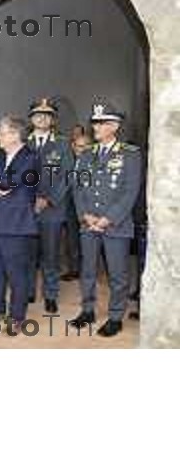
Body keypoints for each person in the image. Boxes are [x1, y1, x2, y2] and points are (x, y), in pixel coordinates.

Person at [70, 102, 142, 337]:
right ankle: (88, 310)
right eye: (94, 122)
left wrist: (108, 218)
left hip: (116, 225)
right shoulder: (87, 153)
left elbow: (131, 191)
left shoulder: (130, 154)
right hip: (88, 223)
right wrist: (84, 215)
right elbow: (77, 188)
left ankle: (115, 316)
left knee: (117, 274)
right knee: (88, 270)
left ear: (114, 126)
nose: (95, 126)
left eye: (100, 123)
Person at [0, 116, 39, 334]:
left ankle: (17, 317)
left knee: (17, 273)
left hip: (16, 223)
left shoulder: (30, 157)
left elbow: (11, 181)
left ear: (15, 134)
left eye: (2, 132)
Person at [26, 98, 74, 313]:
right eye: (38, 114)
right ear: (31, 119)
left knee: (50, 255)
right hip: (25, 208)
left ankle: (51, 294)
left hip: (52, 209)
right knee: (27, 253)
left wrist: (48, 199)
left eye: (47, 115)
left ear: (53, 120)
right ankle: (27, 291)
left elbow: (67, 176)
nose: (42, 118)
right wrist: (29, 200)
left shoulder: (62, 144)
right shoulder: (22, 142)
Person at [61, 132, 92, 281]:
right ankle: (74, 269)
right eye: (80, 146)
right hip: (69, 206)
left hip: (89, 208)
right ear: (73, 147)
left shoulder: (96, 163)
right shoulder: (66, 162)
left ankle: (88, 269)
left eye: (87, 146)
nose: (83, 150)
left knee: (88, 240)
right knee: (72, 239)